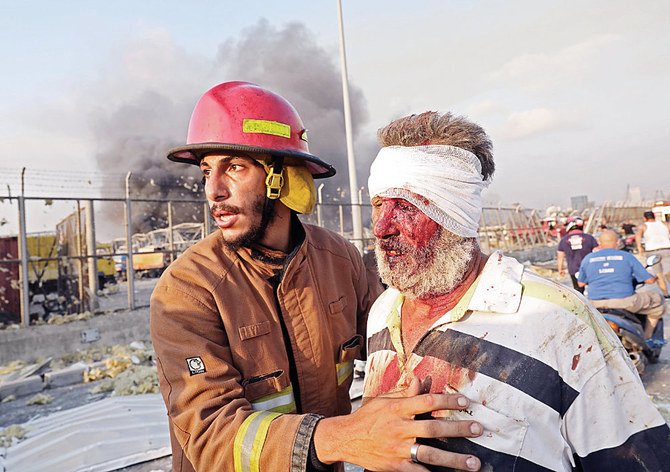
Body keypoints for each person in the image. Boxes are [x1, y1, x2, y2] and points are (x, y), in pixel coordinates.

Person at [150, 82, 484, 472]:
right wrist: (347, 437)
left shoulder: (338, 260)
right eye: (207, 172)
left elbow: (397, 341)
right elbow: (211, 435)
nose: (213, 191)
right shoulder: (188, 290)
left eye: (234, 167)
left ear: (283, 179)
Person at [362, 111, 670, 470]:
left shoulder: (558, 321)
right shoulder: (383, 312)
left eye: (405, 206)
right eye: (378, 205)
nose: (381, 227)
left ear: (455, 215)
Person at [578, 229, 665, 342]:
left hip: (595, 303)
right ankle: (647, 338)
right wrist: (655, 278)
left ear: (599, 243)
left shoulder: (588, 258)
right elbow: (648, 280)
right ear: (617, 242)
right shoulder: (626, 256)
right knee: (658, 301)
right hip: (625, 301)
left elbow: (581, 283)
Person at [556, 217, 598, 293]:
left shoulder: (564, 240)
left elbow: (560, 256)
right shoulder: (589, 238)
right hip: (589, 268)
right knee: (593, 289)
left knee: (578, 292)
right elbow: (597, 252)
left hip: (573, 269)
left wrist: (560, 269)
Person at [636, 210, 670, 297]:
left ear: (644, 218)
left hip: (652, 251)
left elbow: (638, 236)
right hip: (667, 249)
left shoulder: (643, 226)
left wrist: (640, 248)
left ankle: (666, 295)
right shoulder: (665, 224)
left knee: (659, 275)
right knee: (668, 272)